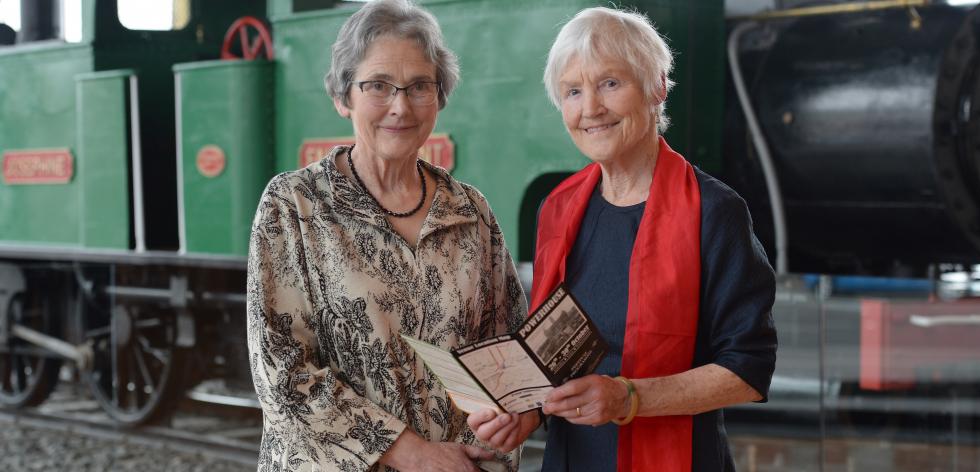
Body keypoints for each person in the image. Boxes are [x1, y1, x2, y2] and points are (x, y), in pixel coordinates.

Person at [468, 7, 777, 471]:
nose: (590, 108)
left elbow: (747, 369)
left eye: (610, 83)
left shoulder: (715, 212)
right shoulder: (557, 209)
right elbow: (552, 349)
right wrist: (527, 410)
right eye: (573, 91)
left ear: (657, 89)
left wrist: (628, 398)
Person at [247, 1, 527, 470]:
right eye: (378, 85)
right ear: (343, 96)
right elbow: (283, 376)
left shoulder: (469, 210)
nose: (401, 106)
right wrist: (416, 456)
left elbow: (507, 344)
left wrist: (521, 412)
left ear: (439, 96)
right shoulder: (293, 205)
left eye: (420, 86)